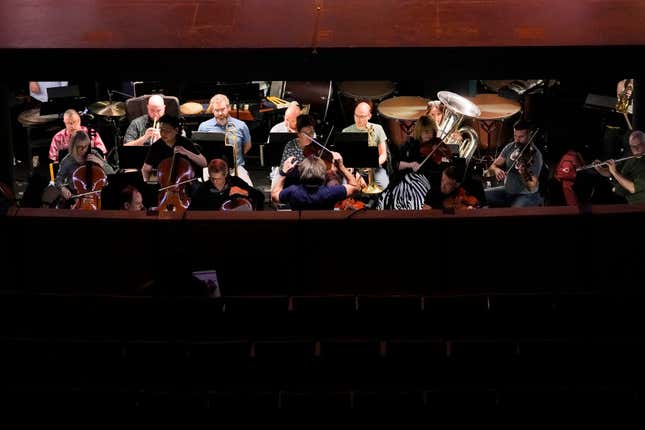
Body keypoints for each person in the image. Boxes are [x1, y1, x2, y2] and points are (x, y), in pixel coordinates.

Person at [379, 115, 442, 210]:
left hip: (429, 184)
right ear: (419, 132)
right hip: (409, 183)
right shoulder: (411, 145)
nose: (430, 135)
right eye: (426, 132)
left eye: (432, 132)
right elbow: (396, 165)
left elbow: (438, 171)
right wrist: (411, 164)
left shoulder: (436, 145)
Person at [484, 119, 543, 207]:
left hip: (525, 195)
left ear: (529, 135)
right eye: (515, 136)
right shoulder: (510, 147)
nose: (517, 140)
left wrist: (523, 172)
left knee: (513, 214)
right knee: (483, 195)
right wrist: (496, 170)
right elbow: (492, 166)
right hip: (507, 191)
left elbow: (532, 186)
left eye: (521, 137)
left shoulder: (535, 155)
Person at [197, 94, 253, 186]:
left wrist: (236, 158)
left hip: (235, 168)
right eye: (216, 110)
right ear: (212, 111)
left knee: (249, 190)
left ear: (228, 108)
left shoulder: (241, 125)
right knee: (201, 190)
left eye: (223, 109)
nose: (220, 113)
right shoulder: (204, 126)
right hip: (211, 168)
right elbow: (200, 149)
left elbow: (247, 145)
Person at [272, 153, 359, 210]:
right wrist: (341, 167)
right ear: (323, 174)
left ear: (301, 173)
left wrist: (283, 172)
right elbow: (355, 187)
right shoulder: (332, 192)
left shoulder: (293, 191)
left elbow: (274, 196)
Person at [141, 114, 206, 182]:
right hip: (164, 183)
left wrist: (186, 152)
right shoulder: (156, 146)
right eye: (161, 130)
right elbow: (146, 169)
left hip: (186, 182)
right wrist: (146, 183)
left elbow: (203, 163)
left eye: (167, 131)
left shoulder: (186, 142)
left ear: (176, 130)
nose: (163, 133)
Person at [55, 131, 114, 203]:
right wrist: (62, 188)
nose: (84, 150)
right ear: (74, 147)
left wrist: (101, 163)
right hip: (77, 198)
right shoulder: (67, 161)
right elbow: (58, 180)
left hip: (98, 196)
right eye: (80, 147)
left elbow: (112, 173)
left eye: (86, 146)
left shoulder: (93, 154)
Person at [341, 102, 389, 189]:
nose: (358, 119)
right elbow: (346, 158)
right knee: (346, 186)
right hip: (354, 168)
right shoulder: (346, 131)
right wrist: (355, 172)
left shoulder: (378, 129)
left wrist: (372, 164)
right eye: (356, 115)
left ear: (369, 116)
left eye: (362, 116)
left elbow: (383, 154)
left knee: (383, 183)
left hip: (374, 167)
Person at [190, 159, 265, 211]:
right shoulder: (203, 188)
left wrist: (244, 192)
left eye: (219, 179)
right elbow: (192, 210)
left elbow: (260, 196)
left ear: (225, 174)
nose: (215, 182)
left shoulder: (235, 182)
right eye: (212, 178)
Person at [593, 130, 645, 204]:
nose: (635, 149)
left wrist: (614, 172)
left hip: (639, 204)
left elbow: (632, 188)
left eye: (639, 145)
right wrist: (599, 169)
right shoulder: (630, 157)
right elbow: (610, 172)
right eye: (633, 146)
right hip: (625, 199)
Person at [268, 101, 301, 186]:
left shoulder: (307, 130)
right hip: (280, 168)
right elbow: (270, 154)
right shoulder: (276, 130)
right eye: (286, 119)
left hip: (301, 168)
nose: (287, 123)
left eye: (292, 120)